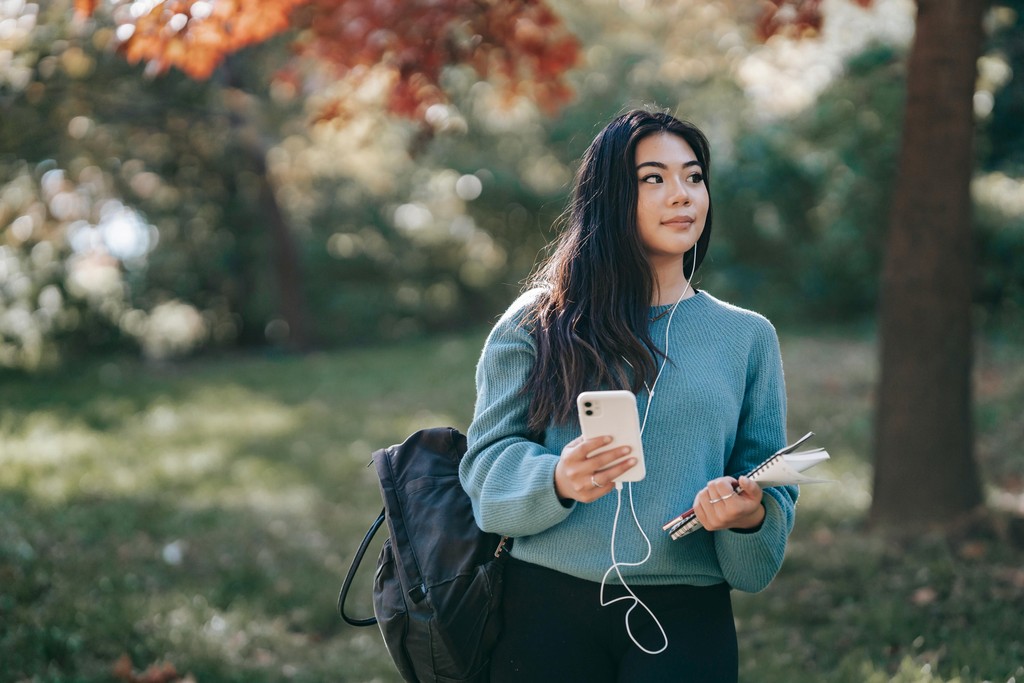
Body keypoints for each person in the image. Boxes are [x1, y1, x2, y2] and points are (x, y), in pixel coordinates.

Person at [458, 108, 797, 682]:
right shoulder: (538, 322)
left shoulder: (748, 337)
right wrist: (557, 479)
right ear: (612, 197)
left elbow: (768, 497)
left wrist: (748, 514)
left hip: (688, 616)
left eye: (693, 177)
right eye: (654, 179)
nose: (681, 195)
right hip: (543, 607)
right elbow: (486, 472)